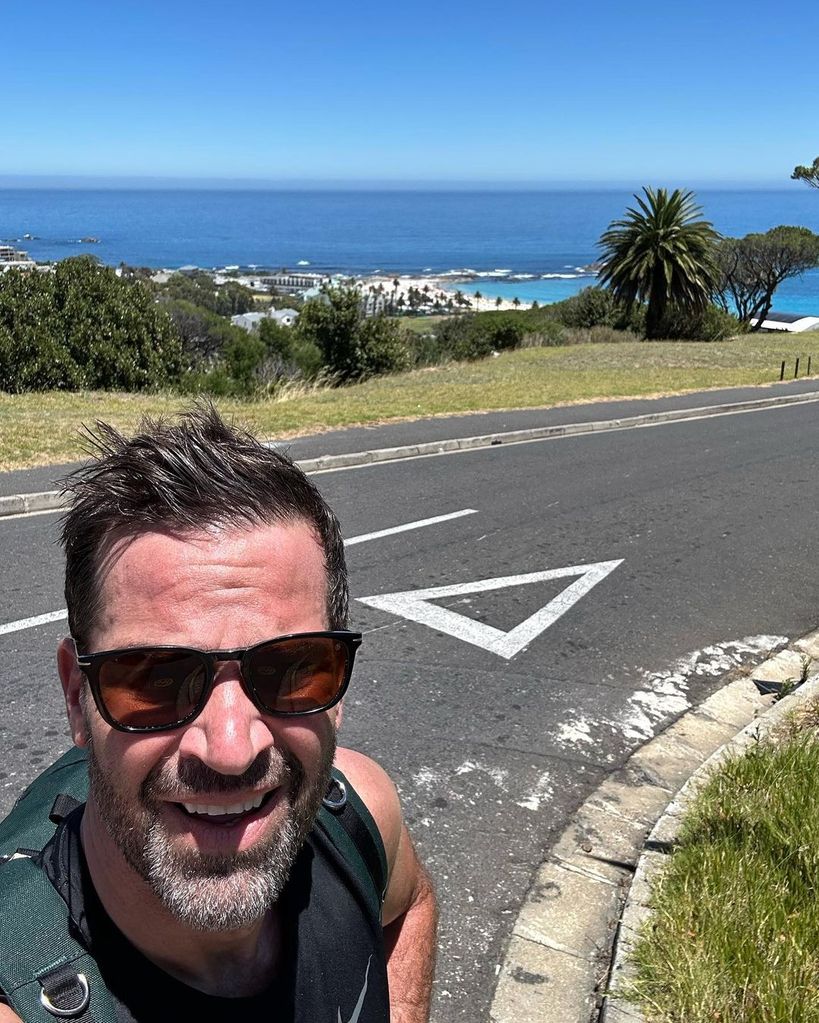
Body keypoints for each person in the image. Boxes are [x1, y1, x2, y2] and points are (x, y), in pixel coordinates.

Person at [0, 406, 437, 1022]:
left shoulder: (364, 818)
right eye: (154, 678)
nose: (231, 747)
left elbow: (410, 904)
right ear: (77, 696)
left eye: (290, 669)